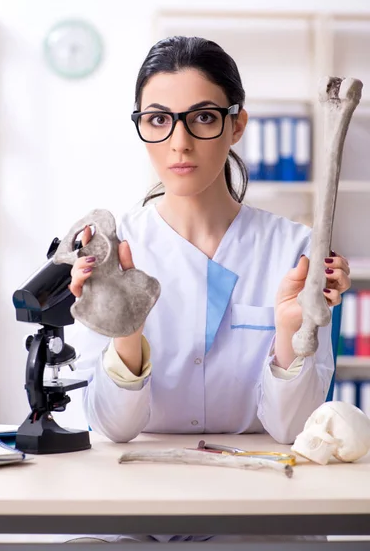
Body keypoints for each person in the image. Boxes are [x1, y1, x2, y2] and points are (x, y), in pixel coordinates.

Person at [65, 36, 351, 544]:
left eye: (202, 117)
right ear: (141, 127)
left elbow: (292, 429)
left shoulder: (296, 250)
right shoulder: (111, 249)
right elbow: (114, 428)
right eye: (158, 119)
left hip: (262, 503)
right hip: (136, 498)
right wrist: (127, 335)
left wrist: (288, 333)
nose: (179, 143)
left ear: (237, 124)